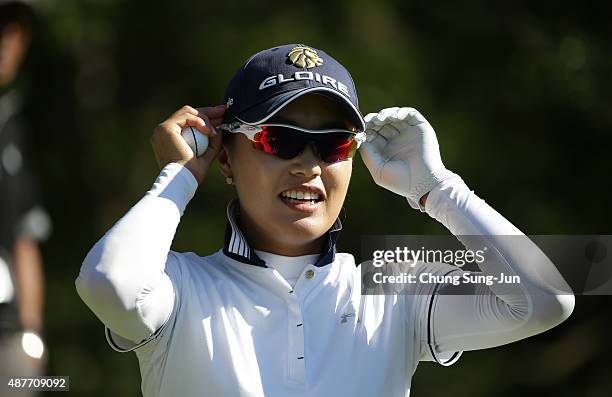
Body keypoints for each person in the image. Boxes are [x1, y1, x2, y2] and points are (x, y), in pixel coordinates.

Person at [75, 44, 574, 397]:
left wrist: (439, 190)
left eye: (334, 143)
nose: (309, 165)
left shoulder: (392, 287)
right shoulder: (179, 287)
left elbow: (547, 300)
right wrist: (180, 175)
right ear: (225, 159)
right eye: (281, 140)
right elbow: (109, 283)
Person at [0, 0, 51, 381]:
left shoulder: (10, 126)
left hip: (7, 327)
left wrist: (31, 332)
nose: (7, 40)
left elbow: (23, 234)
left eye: (14, 29)